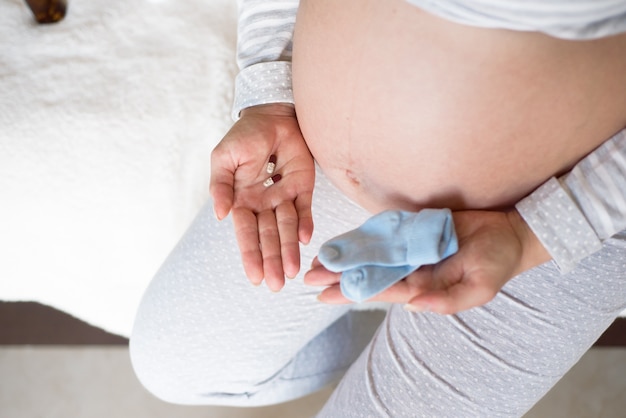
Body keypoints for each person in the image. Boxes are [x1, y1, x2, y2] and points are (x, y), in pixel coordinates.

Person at [130, 1, 626, 416]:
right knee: (175, 366)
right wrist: (268, 93)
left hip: (555, 217)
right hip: (307, 159)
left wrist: (532, 235)